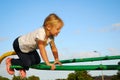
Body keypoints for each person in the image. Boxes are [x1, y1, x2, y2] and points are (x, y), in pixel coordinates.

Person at [6, 13, 64, 78]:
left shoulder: (51, 37)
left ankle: (22, 67)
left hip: (30, 49)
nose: (59, 31)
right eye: (57, 29)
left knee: (37, 61)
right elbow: (42, 48)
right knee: (27, 63)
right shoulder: (41, 32)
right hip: (20, 45)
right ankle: (11, 61)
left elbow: (53, 48)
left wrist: (56, 59)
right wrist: (47, 63)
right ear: (48, 27)